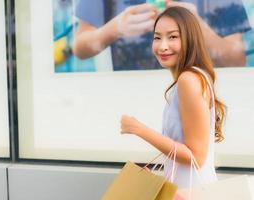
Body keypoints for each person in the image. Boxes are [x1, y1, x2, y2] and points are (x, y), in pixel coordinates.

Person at [120, 6, 226, 188]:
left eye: (173, 37)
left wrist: (138, 129)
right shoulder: (195, 77)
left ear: (189, 39)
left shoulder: (188, 79)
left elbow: (195, 157)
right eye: (157, 37)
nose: (162, 46)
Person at [73, 0, 251, 69]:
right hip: (131, 100)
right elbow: (80, 48)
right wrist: (113, 29)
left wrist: (198, 29)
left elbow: (236, 61)